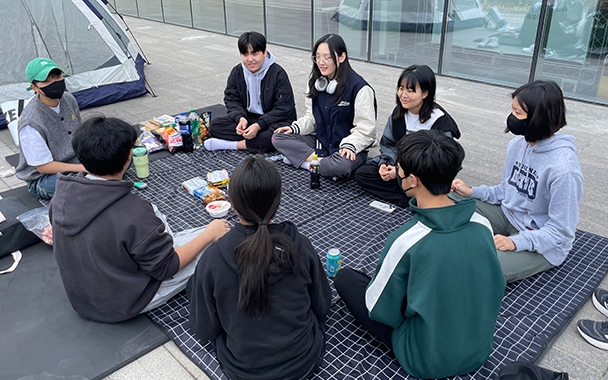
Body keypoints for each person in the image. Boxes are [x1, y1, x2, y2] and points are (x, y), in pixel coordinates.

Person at [334, 130, 505, 379]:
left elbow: (379, 309)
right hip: (479, 350)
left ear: (412, 180)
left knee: (346, 278)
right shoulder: (482, 224)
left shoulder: (407, 240)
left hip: (425, 359)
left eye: (399, 167)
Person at [50, 116, 229, 323]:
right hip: (124, 302)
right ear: (129, 157)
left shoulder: (61, 194)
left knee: (161, 223)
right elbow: (167, 267)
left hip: (84, 299)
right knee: (218, 240)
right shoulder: (132, 211)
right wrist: (209, 235)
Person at [187, 157, 332, 380]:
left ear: (232, 205)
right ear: (278, 202)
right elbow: (322, 304)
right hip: (305, 362)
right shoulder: (300, 244)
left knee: (194, 286)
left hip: (244, 371)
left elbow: (204, 329)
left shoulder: (213, 258)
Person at [451, 80, 584, 283]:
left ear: (538, 118)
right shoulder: (517, 144)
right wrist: (472, 192)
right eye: (512, 110)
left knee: (481, 267)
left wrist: (515, 242)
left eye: (518, 113)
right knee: (444, 199)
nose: (512, 118)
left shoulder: (564, 170)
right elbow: (507, 189)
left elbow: (560, 231)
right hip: (508, 217)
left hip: (543, 241)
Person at [272, 33, 376, 179]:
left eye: (327, 57)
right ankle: (321, 165)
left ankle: (306, 162)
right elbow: (312, 118)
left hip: (347, 150)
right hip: (322, 145)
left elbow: (366, 130)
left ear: (341, 57)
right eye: (317, 57)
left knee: (341, 166)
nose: (321, 62)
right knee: (278, 137)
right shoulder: (315, 83)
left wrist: (349, 145)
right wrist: (294, 128)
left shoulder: (360, 89)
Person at [354, 65, 460, 207]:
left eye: (410, 91)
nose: (403, 94)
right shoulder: (398, 114)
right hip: (400, 169)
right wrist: (387, 165)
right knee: (363, 173)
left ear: (425, 93)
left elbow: (440, 162)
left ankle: (412, 197)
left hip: (425, 177)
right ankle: (410, 199)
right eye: (401, 88)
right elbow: (388, 144)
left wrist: (399, 173)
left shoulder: (440, 121)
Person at [205, 31, 296, 153]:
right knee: (215, 126)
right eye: (245, 54)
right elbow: (231, 99)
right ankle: (253, 141)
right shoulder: (237, 72)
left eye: (254, 53)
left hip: (275, 120)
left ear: (264, 52)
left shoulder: (278, 73)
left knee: (277, 136)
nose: (250, 59)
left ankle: (232, 145)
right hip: (249, 119)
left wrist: (259, 126)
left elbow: (284, 108)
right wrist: (240, 118)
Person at [15, 58, 85, 199]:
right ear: (34, 87)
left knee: (124, 156)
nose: (55, 83)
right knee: (81, 184)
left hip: (77, 163)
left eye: (57, 77)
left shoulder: (68, 98)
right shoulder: (31, 121)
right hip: (45, 177)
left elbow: (80, 136)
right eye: (46, 81)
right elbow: (44, 167)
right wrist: (86, 169)